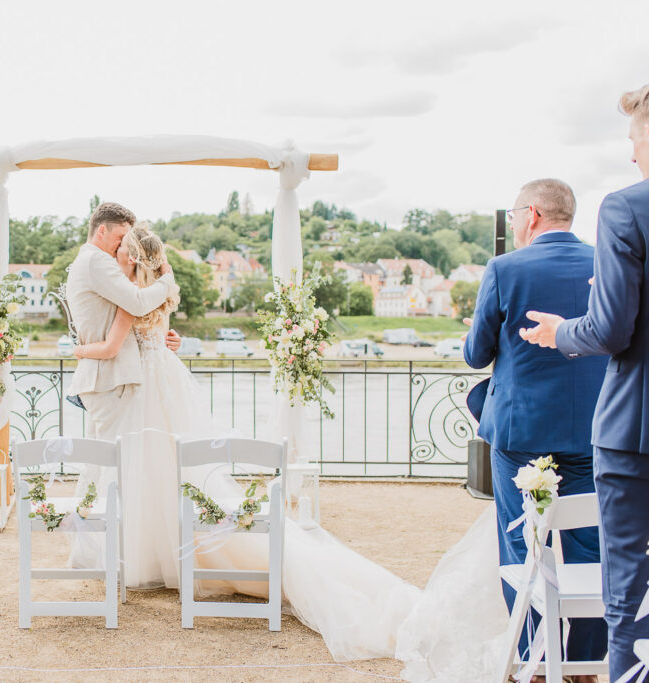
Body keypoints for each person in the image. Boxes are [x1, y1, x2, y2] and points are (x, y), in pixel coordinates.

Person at [71, 223, 421, 660]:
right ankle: (163, 555)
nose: (119, 253)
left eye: (124, 248)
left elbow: (113, 343)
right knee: (164, 469)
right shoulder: (158, 292)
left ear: (134, 257)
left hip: (146, 388)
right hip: (160, 380)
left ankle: (159, 558)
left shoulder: (131, 295)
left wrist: (78, 350)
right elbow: (156, 329)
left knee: (153, 468)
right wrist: (164, 320)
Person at [520, 83, 649, 681]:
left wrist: (563, 332)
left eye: (635, 136)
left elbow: (613, 330)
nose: (631, 153)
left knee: (627, 587)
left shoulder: (627, 208)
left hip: (637, 430)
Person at [460, 179, 608, 677]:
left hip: (520, 434)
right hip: (593, 430)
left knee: (521, 543)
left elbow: (477, 354)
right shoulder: (605, 264)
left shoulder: (504, 268)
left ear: (531, 216)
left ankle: (535, 659)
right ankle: (585, 662)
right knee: (590, 544)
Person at [64, 202, 180, 441]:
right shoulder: (97, 261)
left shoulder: (86, 261)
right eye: (120, 237)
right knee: (115, 460)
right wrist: (168, 281)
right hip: (110, 379)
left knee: (106, 459)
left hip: (109, 378)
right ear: (101, 231)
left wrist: (163, 339)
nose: (121, 245)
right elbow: (136, 303)